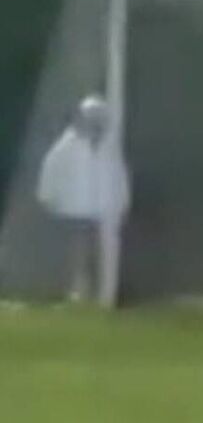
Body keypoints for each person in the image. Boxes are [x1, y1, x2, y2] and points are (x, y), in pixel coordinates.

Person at [35, 95, 130, 307]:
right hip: (74, 209)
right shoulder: (67, 146)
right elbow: (51, 170)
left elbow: (119, 176)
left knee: (99, 251)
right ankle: (78, 289)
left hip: (101, 211)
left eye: (98, 118)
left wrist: (122, 202)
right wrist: (47, 196)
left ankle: (100, 290)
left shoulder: (109, 148)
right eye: (91, 118)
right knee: (78, 250)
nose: (95, 123)